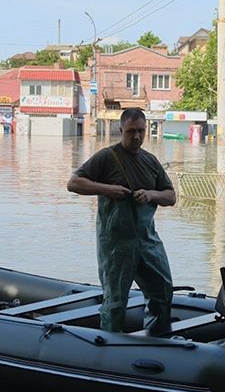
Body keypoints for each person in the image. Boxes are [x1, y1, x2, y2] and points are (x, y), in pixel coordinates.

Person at [67, 108, 176, 336]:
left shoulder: (150, 161)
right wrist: (109, 189)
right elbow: (74, 183)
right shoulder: (106, 157)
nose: (136, 137)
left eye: (141, 131)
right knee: (115, 301)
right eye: (131, 131)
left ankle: (158, 339)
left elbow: (170, 196)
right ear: (121, 130)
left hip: (148, 241)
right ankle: (109, 346)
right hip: (116, 244)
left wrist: (150, 194)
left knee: (163, 290)